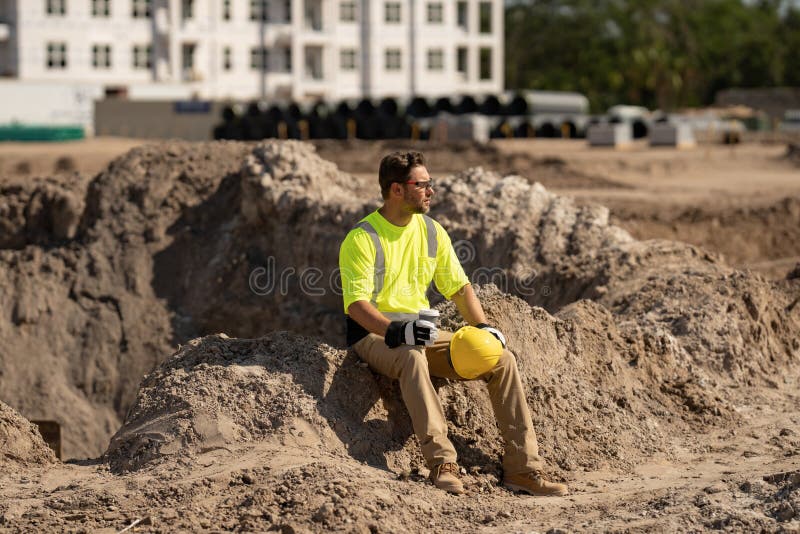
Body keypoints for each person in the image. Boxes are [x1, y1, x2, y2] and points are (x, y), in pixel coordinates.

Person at [338, 151, 567, 496]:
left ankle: (523, 470)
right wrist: (396, 331)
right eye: (423, 184)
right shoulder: (362, 237)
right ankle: (442, 463)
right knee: (411, 355)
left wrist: (484, 328)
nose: (431, 190)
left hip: (421, 329)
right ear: (397, 189)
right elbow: (356, 305)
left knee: (502, 360)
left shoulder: (432, 232)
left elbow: (459, 289)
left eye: (432, 183)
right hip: (376, 333)